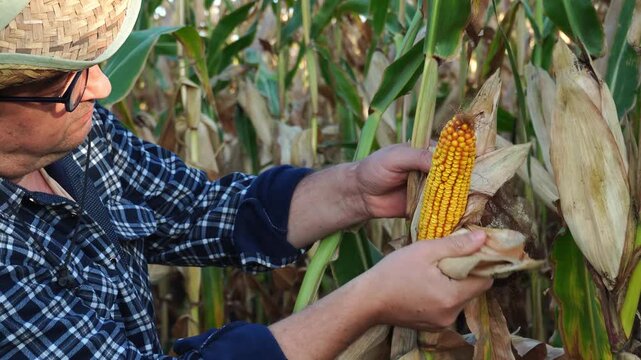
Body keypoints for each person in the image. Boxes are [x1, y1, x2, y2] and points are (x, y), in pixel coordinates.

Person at [0, 1, 492, 359]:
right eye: (63, 83)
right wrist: (369, 301)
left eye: (94, 63)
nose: (103, 87)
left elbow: (200, 209)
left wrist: (354, 189)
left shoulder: (79, 136)